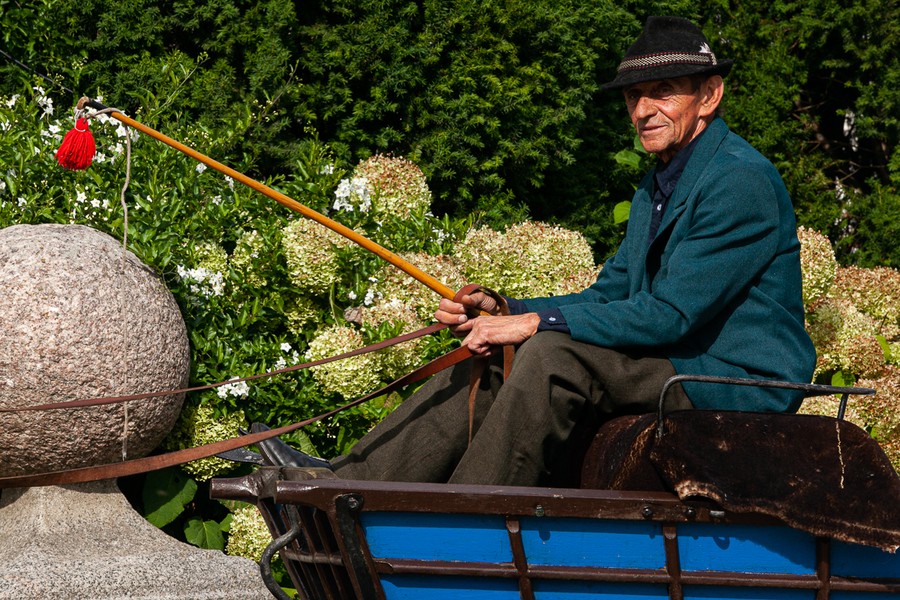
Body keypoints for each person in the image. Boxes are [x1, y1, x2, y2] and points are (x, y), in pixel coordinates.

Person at [285, 16, 817, 486]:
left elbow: (672, 315)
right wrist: (506, 312)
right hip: (675, 359)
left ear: (710, 95)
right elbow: (611, 292)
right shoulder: (657, 187)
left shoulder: (738, 181)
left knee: (551, 355)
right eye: (634, 95)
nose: (644, 110)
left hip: (728, 380)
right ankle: (346, 481)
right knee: (493, 348)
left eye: (665, 91)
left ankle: (460, 515)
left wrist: (539, 326)